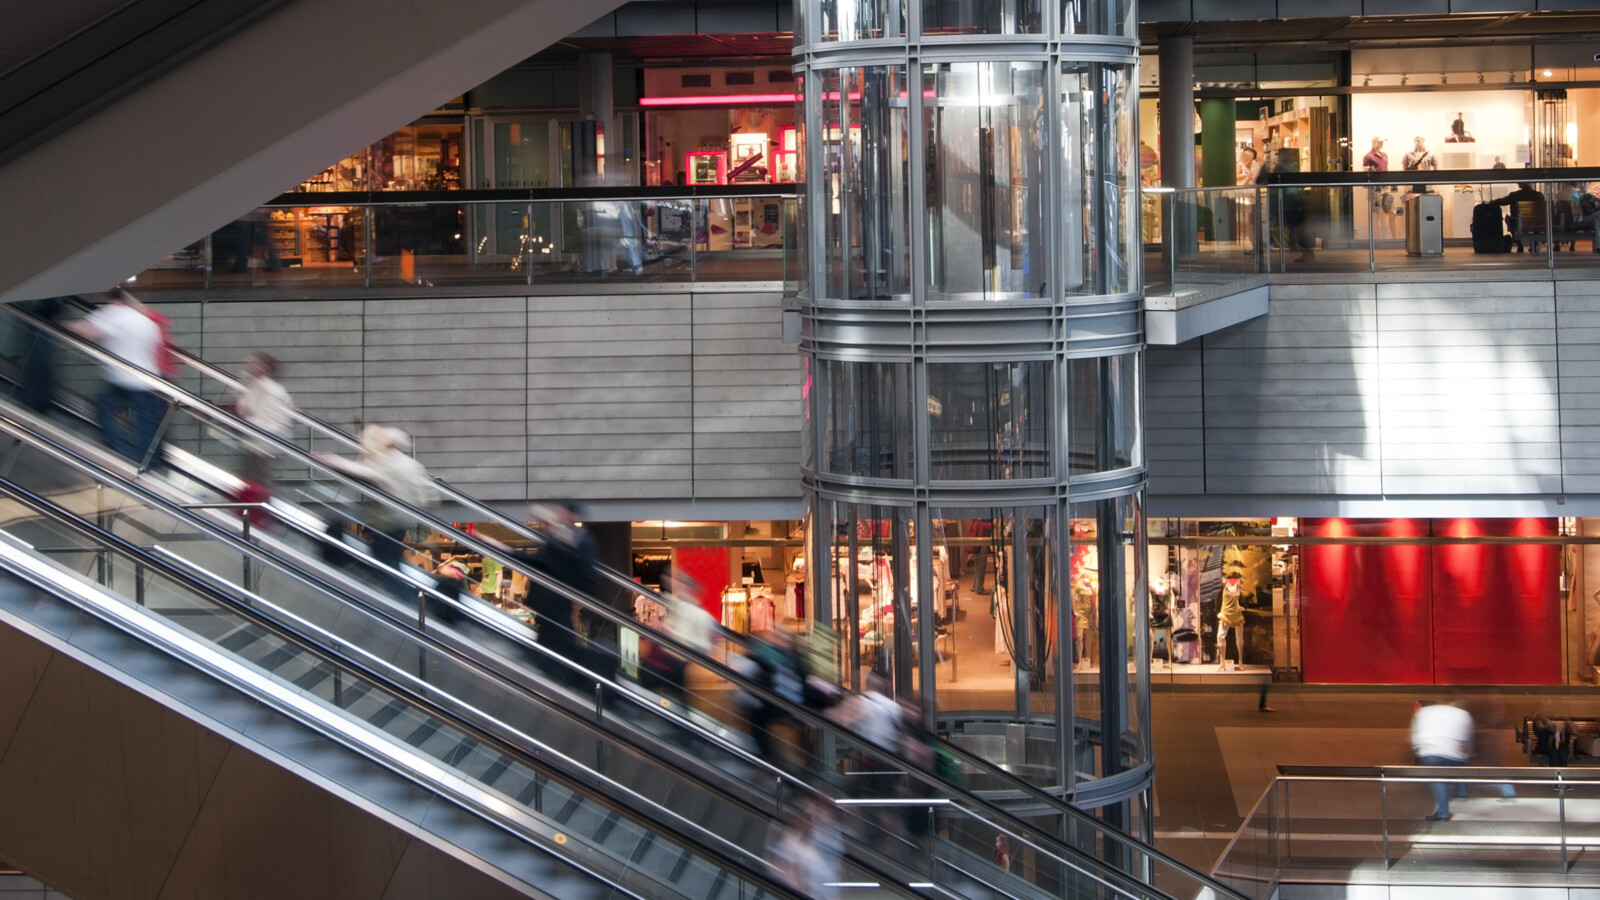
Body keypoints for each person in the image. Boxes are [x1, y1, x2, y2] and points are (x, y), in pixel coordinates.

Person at [315, 424, 439, 595]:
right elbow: (429, 495)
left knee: (386, 565)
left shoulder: (386, 463)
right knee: (388, 559)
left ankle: (406, 603)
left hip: (386, 521)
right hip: (402, 520)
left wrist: (331, 460)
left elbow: (363, 471)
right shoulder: (411, 464)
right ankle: (405, 599)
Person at [67, 288, 166, 465]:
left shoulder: (114, 313)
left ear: (114, 301)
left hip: (123, 379)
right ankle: (149, 462)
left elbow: (88, 331)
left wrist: (63, 324)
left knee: (103, 411)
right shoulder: (145, 320)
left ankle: (119, 450)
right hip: (148, 379)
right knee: (144, 422)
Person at [233, 351, 295, 495]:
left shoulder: (260, 386)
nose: (250, 366)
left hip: (259, 439)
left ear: (264, 368)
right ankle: (260, 510)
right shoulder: (277, 388)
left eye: (254, 363)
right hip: (271, 439)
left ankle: (256, 512)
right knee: (263, 480)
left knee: (255, 480)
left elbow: (245, 409)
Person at [1412, 698, 1474, 821]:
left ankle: (1443, 813)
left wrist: (1417, 748)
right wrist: (1465, 753)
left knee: (1438, 781)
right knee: (1459, 769)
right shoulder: (1463, 714)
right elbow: (1466, 738)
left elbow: (1417, 733)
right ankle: (1461, 792)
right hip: (1455, 752)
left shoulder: (1425, 712)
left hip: (1432, 751)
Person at [16, 296, 65, 415]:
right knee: (39, 361)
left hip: (40, 316)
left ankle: (38, 401)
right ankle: (39, 401)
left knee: (39, 361)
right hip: (41, 316)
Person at [1494, 183, 1548, 252]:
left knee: (1508, 219)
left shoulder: (1514, 195)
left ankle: (1519, 244)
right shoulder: (1539, 195)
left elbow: (1503, 201)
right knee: (1536, 221)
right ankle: (1534, 246)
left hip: (1518, 223)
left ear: (1521, 184)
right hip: (1537, 223)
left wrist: (1493, 201)